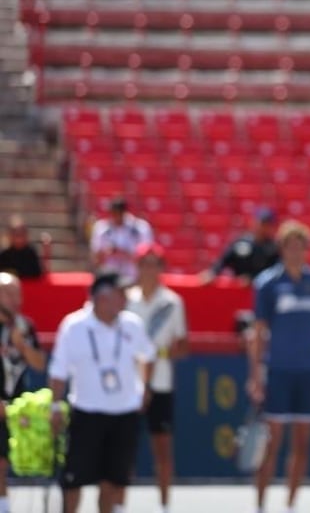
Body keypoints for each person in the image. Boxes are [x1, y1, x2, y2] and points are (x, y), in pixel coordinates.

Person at [48, 272, 156, 513]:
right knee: (73, 480)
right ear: (102, 298)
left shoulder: (132, 324)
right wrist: (55, 406)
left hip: (123, 413)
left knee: (113, 481)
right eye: (120, 294)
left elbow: (148, 355)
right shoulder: (74, 326)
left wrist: (144, 387)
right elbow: (58, 370)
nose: (125, 299)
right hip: (86, 412)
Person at [248, 220, 310, 513]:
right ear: (282, 249)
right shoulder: (267, 284)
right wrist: (255, 376)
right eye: (290, 246)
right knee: (271, 443)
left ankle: (290, 505)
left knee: (302, 445)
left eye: (301, 247)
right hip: (278, 372)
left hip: (308, 372)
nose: (296, 252)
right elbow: (258, 333)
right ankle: (260, 505)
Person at [123, 243, 189, 513]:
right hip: (127, 384)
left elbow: (183, 345)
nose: (149, 270)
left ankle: (164, 505)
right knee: (123, 449)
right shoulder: (125, 299)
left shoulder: (172, 302)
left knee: (162, 448)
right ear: (137, 267)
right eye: (144, 264)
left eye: (155, 264)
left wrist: (163, 352)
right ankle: (119, 505)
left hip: (161, 382)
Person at [0, 273, 47, 513]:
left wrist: (22, 345)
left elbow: (39, 364)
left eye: (16, 292)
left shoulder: (25, 326)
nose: (14, 298)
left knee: (7, 460)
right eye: (7, 292)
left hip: (16, 407)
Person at [201, 206, 280, 286]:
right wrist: (212, 272)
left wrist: (252, 278)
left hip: (263, 289)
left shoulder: (273, 248)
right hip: (239, 291)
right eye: (262, 223)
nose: (263, 228)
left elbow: (275, 271)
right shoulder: (241, 242)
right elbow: (224, 260)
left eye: (268, 224)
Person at [89, 197, 155, 282]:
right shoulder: (101, 228)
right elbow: (95, 258)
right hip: (109, 278)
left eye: (119, 213)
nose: (116, 217)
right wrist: (107, 252)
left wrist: (123, 253)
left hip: (134, 277)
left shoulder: (140, 228)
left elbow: (147, 258)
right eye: (114, 213)